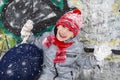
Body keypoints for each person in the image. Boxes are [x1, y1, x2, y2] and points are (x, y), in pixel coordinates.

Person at [21, 9, 111, 80]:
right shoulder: (48, 39)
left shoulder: (76, 47)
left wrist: (96, 58)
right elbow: (34, 45)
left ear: (73, 34)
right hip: (46, 74)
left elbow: (84, 63)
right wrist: (27, 33)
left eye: (70, 30)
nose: (64, 32)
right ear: (58, 25)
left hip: (66, 77)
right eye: (63, 26)